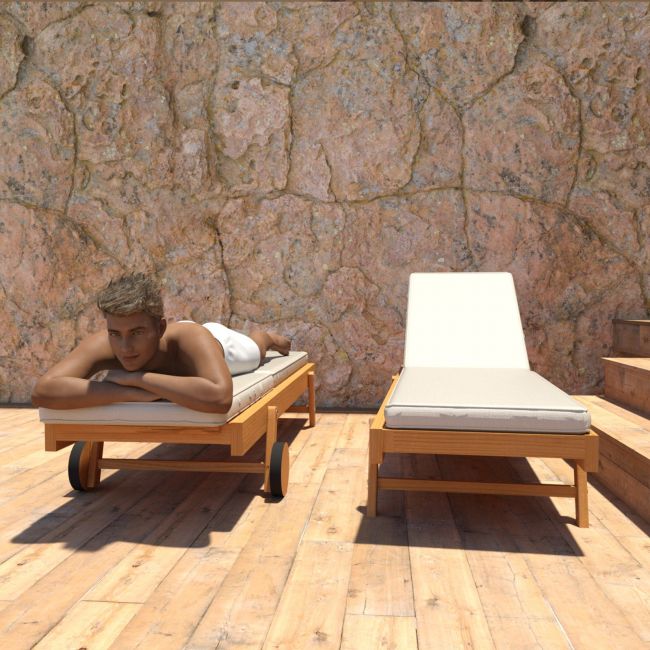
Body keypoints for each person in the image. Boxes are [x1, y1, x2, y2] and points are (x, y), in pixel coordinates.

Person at [31, 272, 290, 413]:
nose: (124, 347)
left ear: (160, 328)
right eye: (115, 334)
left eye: (137, 332)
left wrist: (137, 379)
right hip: (195, 348)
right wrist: (128, 393)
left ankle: (268, 337)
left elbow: (219, 397)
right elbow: (43, 391)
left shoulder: (191, 338)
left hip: (224, 347)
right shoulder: (106, 342)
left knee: (256, 350)